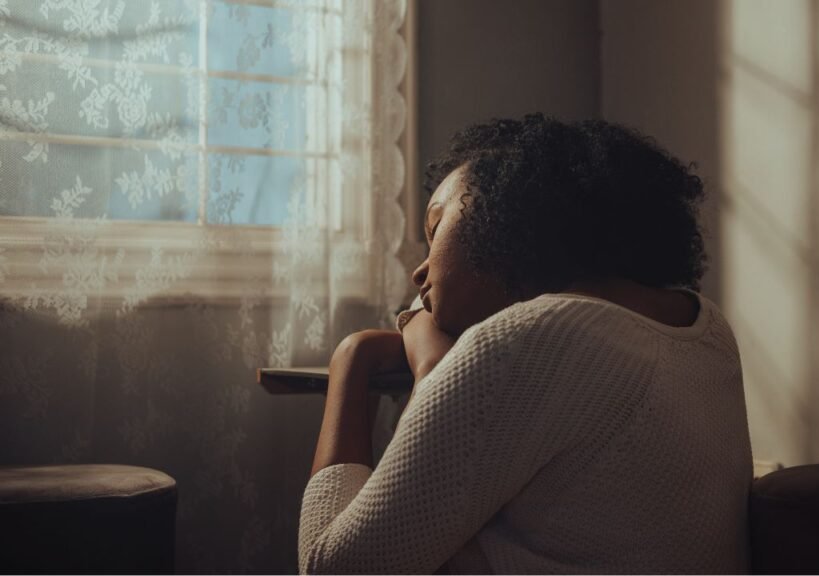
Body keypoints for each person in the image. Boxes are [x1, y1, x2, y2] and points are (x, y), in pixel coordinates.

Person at [299, 114, 752, 574]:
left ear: (500, 218)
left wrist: (353, 359)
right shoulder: (707, 328)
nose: (420, 272)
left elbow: (332, 569)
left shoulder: (525, 344)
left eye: (435, 231)